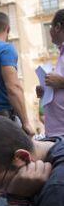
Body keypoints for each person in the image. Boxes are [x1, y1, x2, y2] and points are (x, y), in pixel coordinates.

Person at [36, 9, 64, 137]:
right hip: (55, 132)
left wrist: (61, 82)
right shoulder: (61, 53)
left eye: (51, 26)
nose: (50, 31)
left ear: (58, 27)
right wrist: (45, 91)